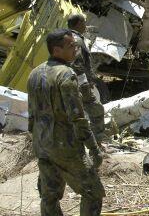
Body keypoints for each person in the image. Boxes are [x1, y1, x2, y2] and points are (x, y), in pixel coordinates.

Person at [27, 29, 105, 216]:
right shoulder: (66, 75)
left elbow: (31, 115)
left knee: (49, 196)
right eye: (71, 46)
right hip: (64, 146)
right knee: (93, 193)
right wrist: (94, 149)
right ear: (56, 50)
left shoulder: (34, 74)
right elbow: (77, 117)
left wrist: (37, 141)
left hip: (42, 144)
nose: (75, 49)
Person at [68, 13, 105, 142]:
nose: (85, 25)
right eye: (84, 22)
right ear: (78, 24)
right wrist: (85, 82)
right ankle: (98, 144)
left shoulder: (67, 37)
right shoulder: (76, 40)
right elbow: (77, 63)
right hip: (80, 83)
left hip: (71, 82)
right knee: (97, 111)